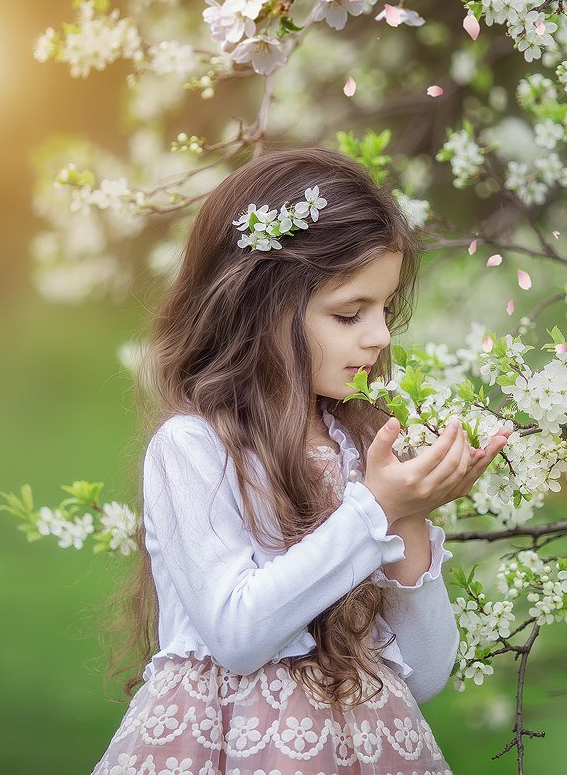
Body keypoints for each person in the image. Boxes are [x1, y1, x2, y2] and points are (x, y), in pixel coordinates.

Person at [91, 147, 513, 775]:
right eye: (350, 313)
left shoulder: (357, 448)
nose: (380, 336)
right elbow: (238, 636)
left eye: (384, 310)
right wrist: (374, 511)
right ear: (260, 309)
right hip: (227, 748)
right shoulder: (194, 448)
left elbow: (423, 674)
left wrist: (409, 517)